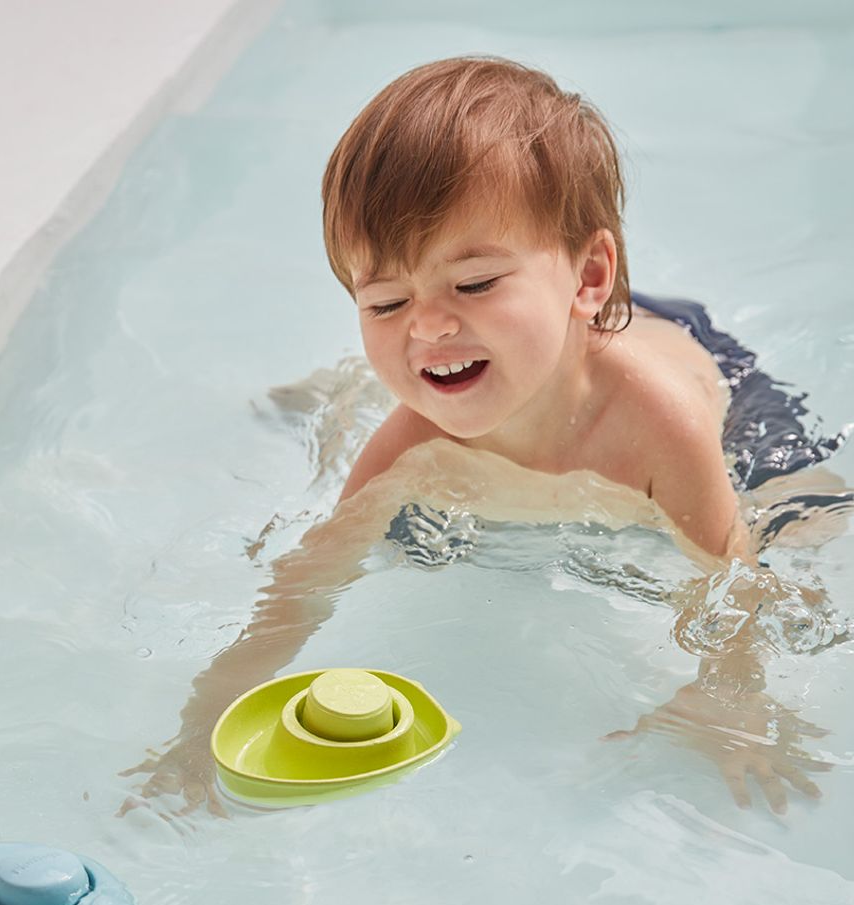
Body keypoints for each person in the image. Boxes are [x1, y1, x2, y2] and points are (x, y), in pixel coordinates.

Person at [121, 57, 848, 819]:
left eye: (473, 284)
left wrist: (729, 698)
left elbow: (729, 584)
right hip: (524, 343)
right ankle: (353, 376)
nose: (429, 325)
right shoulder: (412, 443)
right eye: (385, 302)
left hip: (696, 366)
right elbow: (302, 589)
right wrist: (201, 729)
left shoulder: (659, 423)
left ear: (589, 276)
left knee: (805, 524)